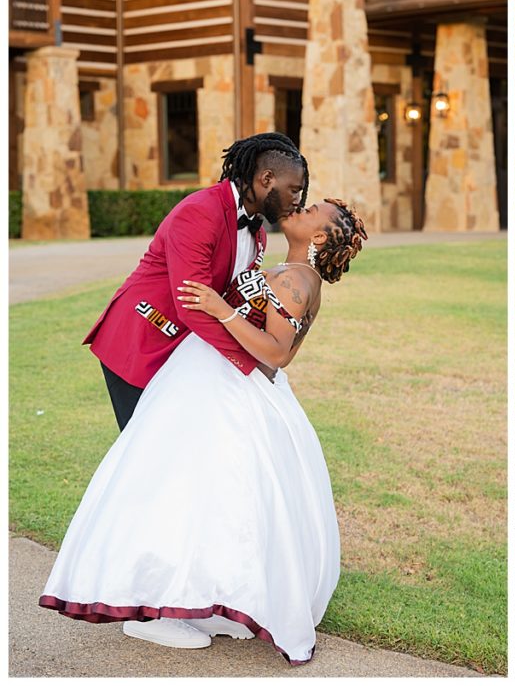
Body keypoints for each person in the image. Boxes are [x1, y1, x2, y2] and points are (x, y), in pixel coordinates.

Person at [39, 197, 368, 664]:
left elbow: (277, 353)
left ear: (319, 236)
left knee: (182, 486)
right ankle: (189, 598)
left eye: (313, 209)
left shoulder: (297, 279)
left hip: (224, 387)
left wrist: (219, 308)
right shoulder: (284, 267)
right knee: (201, 491)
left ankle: (161, 608)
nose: (301, 205)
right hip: (204, 380)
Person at [84, 132, 309, 432]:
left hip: (188, 352)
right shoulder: (201, 212)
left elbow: (234, 300)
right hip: (141, 341)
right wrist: (249, 362)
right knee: (146, 447)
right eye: (294, 190)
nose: (298, 201)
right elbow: (192, 305)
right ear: (266, 179)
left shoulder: (259, 235)